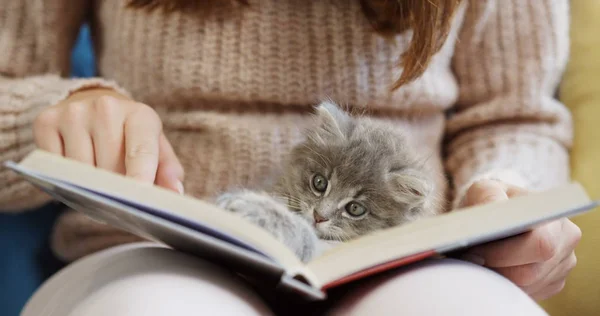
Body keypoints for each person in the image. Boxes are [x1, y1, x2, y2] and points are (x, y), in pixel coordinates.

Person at [0, 0, 580, 314]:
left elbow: (513, 115)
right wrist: (58, 117)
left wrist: (506, 197)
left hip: (399, 264)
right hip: (146, 253)